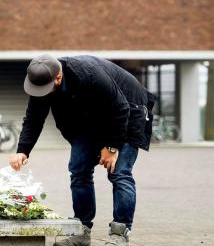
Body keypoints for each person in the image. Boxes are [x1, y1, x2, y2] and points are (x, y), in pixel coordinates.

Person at [9, 54, 154, 246]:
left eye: (46, 89)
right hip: (89, 120)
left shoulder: (89, 74)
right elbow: (34, 119)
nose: (41, 93)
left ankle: (120, 234)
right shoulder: (42, 82)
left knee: (119, 173)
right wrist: (23, 151)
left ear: (58, 77)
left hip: (127, 112)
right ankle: (81, 232)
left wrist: (111, 147)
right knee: (78, 169)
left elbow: (120, 108)